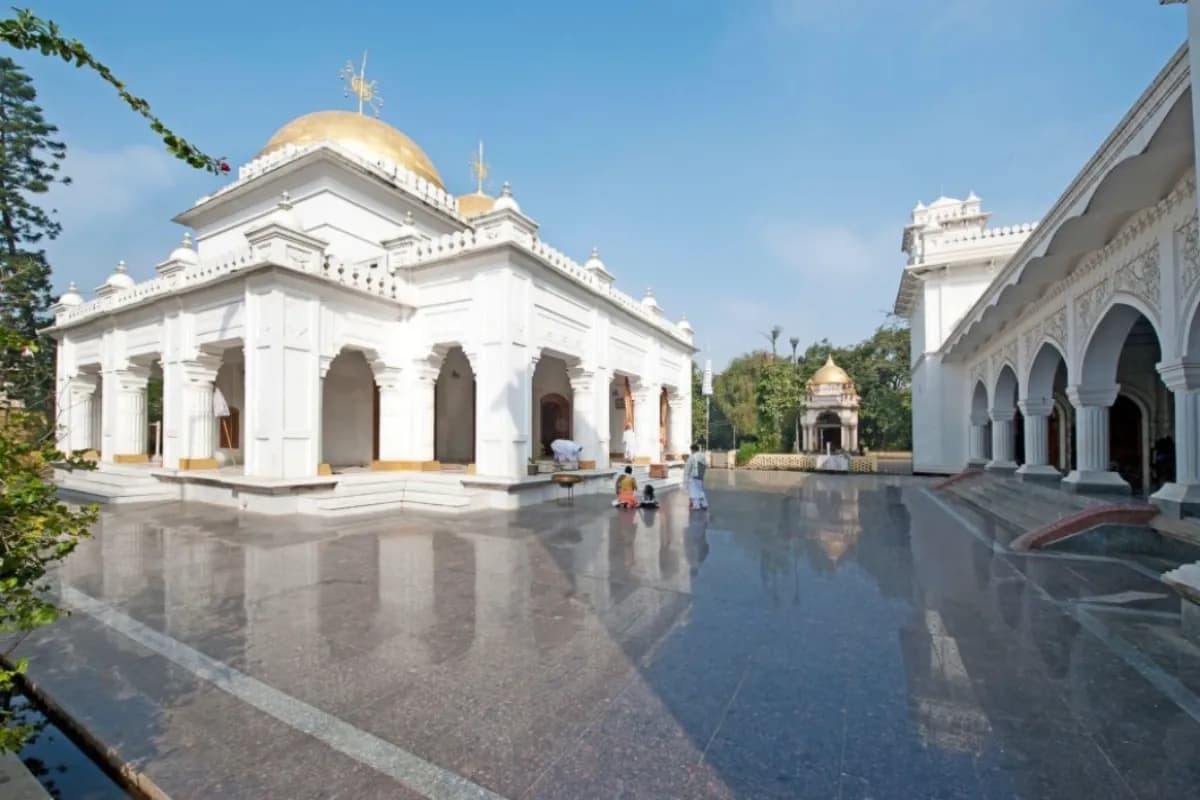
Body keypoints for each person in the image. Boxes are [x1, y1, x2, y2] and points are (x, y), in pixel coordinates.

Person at [684, 443, 708, 510]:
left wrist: (685, 478)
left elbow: (687, 468)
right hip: (700, 476)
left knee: (694, 491)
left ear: (692, 449)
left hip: (693, 476)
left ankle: (696, 505)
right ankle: (704, 503)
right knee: (700, 490)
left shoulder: (692, 456)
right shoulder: (702, 456)